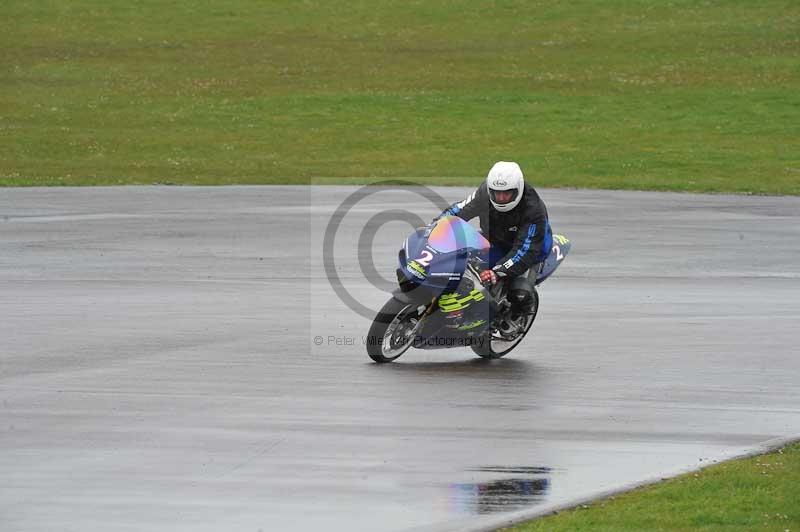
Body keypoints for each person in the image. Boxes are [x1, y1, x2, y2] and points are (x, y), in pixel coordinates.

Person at [435, 161, 552, 312]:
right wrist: (436, 226)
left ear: (518, 190)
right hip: (495, 240)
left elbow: (525, 250)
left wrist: (498, 270)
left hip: (532, 250)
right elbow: (460, 209)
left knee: (519, 294)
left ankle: (516, 314)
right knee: (457, 262)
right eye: (497, 193)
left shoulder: (533, 208)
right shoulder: (485, 192)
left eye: (506, 193)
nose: (501, 197)